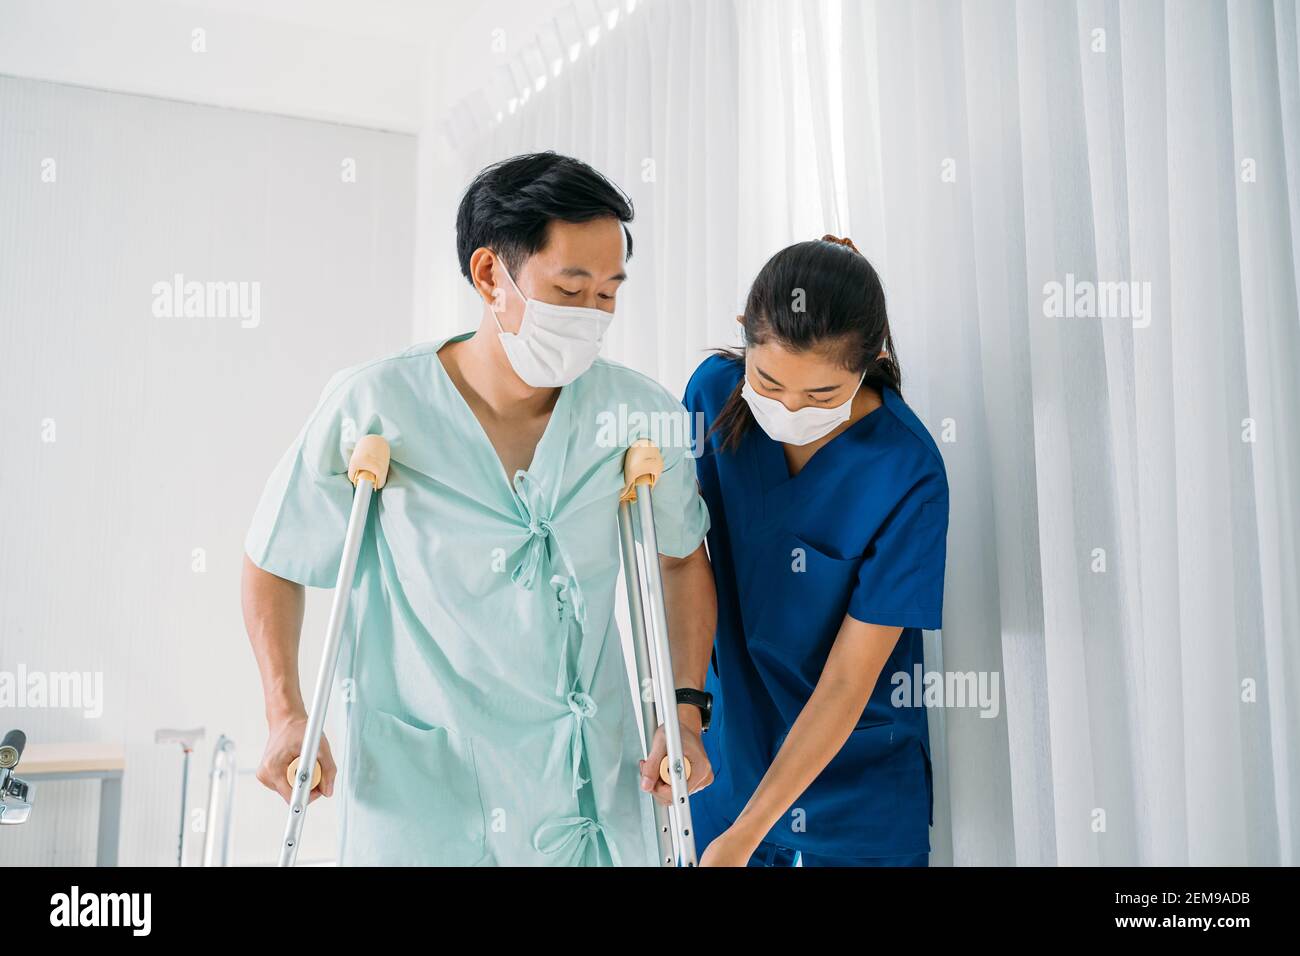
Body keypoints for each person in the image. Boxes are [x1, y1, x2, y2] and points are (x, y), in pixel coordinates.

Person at [242, 152, 717, 866]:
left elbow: (680, 562)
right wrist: (285, 712)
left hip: (590, 793)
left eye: (610, 295)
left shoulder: (637, 416)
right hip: (427, 795)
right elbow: (276, 561)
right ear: (491, 274)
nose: (593, 315)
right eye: (571, 288)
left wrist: (684, 714)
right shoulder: (376, 406)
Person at [683, 236, 949, 867]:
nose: (789, 408)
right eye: (768, 381)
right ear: (743, 334)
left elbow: (848, 681)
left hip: (853, 792)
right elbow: (678, 561)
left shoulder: (907, 471)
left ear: (873, 357)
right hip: (726, 761)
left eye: (823, 396)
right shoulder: (712, 394)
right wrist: (685, 708)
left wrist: (742, 841)